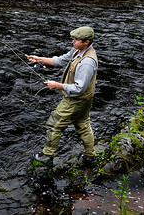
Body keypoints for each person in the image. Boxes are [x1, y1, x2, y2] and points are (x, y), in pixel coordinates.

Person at [26, 26, 98, 168]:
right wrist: (38, 59)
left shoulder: (87, 62)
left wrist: (57, 85)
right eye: (74, 39)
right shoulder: (77, 50)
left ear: (87, 42)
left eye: (77, 40)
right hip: (84, 100)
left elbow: (79, 88)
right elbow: (59, 60)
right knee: (83, 125)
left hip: (76, 100)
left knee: (54, 124)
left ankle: (47, 156)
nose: (73, 41)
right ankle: (90, 156)